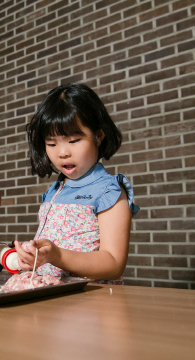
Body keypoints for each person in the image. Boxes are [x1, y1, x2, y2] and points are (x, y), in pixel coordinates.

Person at [13, 83, 139, 284]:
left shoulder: (109, 190)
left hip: (90, 303)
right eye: (51, 144)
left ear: (98, 136)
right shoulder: (56, 189)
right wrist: (34, 256)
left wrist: (57, 256)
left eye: (73, 140)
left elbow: (114, 264)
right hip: (53, 301)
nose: (62, 152)